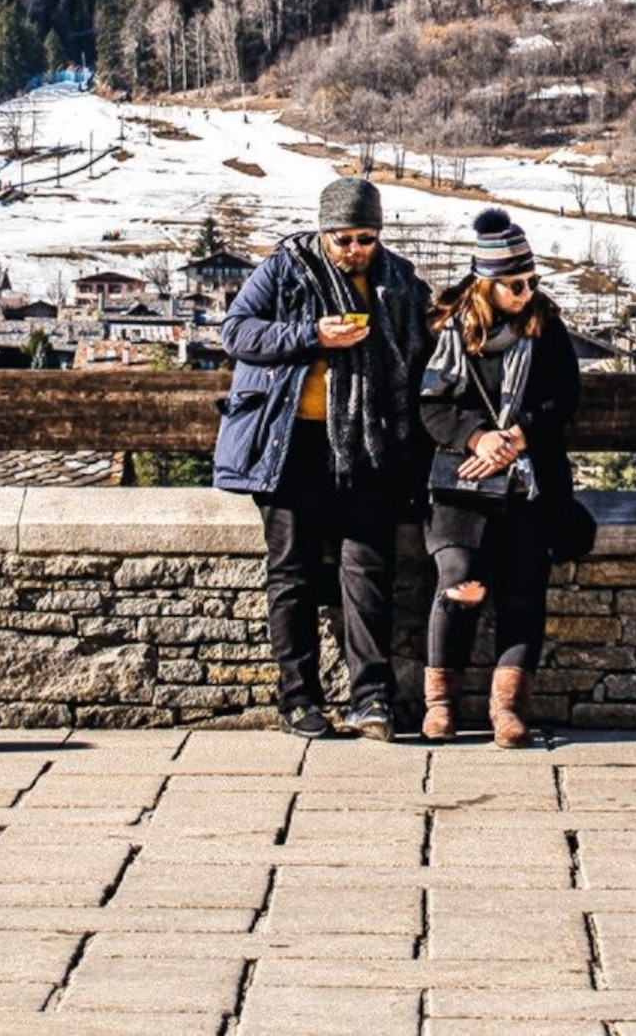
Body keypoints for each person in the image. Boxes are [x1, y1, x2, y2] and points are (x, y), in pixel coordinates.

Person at [216, 176, 431, 740]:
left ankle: (372, 699)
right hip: (292, 444)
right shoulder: (286, 268)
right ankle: (298, 701)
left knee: (368, 570)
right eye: (344, 239)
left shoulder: (400, 281)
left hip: (369, 444)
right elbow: (236, 333)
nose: (355, 250)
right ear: (323, 232)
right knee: (293, 573)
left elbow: (429, 342)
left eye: (366, 238)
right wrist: (312, 335)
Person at [418, 208, 580, 749]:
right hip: (462, 484)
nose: (526, 292)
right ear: (485, 283)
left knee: (523, 591)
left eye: (532, 281)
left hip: (527, 482)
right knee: (460, 581)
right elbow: (430, 406)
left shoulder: (547, 329)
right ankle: (439, 704)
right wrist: (477, 438)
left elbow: (563, 400)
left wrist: (518, 436)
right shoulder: (446, 332)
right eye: (515, 284)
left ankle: (507, 709)